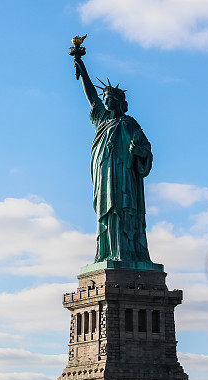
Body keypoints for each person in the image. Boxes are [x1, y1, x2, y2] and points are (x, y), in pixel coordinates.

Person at [73, 54, 153, 265]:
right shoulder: (101, 120)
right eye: (105, 100)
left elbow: (146, 149)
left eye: (110, 101)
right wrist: (83, 69)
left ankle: (127, 254)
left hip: (124, 175)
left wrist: (139, 152)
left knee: (123, 210)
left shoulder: (129, 123)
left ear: (119, 103)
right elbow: (91, 97)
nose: (107, 103)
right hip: (104, 173)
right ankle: (107, 253)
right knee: (106, 212)